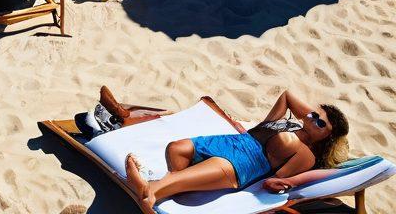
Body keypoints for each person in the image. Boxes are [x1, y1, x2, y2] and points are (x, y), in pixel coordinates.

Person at [121, 89, 350, 213]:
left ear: (327, 136)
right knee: (177, 149)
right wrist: (305, 118)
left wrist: (276, 186)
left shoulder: (306, 155)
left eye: (322, 124)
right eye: (314, 115)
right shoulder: (290, 123)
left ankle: (150, 193)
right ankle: (167, 188)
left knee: (180, 176)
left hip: (245, 164)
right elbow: (287, 95)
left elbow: (275, 179)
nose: (314, 120)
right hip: (234, 141)